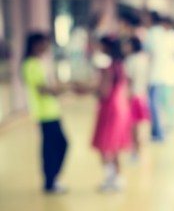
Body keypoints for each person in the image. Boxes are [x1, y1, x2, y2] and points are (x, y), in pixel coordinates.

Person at [74, 36, 131, 191]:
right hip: (120, 108)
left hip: (110, 109)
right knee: (115, 145)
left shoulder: (109, 68)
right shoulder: (120, 66)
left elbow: (103, 91)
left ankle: (110, 178)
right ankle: (117, 177)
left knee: (105, 145)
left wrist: (84, 90)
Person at [22, 32, 69, 194]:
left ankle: (52, 179)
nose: (46, 47)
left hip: (52, 111)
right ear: (34, 45)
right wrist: (62, 88)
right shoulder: (30, 64)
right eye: (43, 43)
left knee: (56, 145)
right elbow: (42, 89)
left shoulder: (40, 62)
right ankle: (50, 181)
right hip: (44, 113)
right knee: (54, 147)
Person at [123, 37, 151, 161]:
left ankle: (135, 153)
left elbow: (129, 79)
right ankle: (140, 152)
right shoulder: (144, 59)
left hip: (133, 95)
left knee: (133, 127)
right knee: (142, 126)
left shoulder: (130, 60)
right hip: (143, 95)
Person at [145, 11, 169, 141]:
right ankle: (157, 130)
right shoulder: (162, 33)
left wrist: (147, 75)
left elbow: (151, 55)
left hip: (154, 73)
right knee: (157, 103)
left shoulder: (152, 34)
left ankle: (158, 132)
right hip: (161, 72)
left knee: (153, 103)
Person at [161, 17, 174, 132]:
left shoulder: (173, 36)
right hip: (165, 73)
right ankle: (168, 121)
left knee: (170, 99)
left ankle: (172, 122)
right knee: (165, 99)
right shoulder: (165, 36)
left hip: (170, 74)